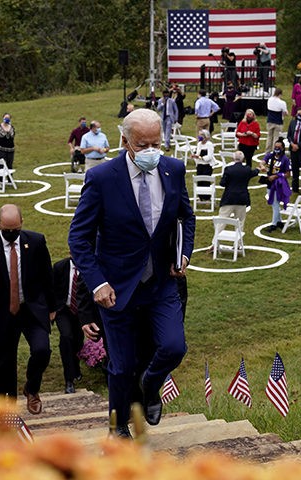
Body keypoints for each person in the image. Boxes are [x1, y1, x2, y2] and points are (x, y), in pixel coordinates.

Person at [68, 108, 195, 439]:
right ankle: (118, 425)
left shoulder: (173, 170)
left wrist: (183, 254)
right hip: (117, 287)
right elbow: (78, 238)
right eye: (143, 144)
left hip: (161, 282)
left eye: (157, 143)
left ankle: (150, 386)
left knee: (173, 347)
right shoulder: (102, 178)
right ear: (124, 141)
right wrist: (96, 283)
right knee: (120, 366)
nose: (151, 151)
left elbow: (187, 217)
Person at [0, 204, 56, 415]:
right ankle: (8, 407)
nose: (11, 234)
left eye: (15, 230)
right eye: (6, 230)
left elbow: (47, 276)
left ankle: (32, 389)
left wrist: (52, 307)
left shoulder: (35, 241)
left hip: (32, 309)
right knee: (5, 363)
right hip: (1, 313)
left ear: (22, 223)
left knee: (42, 350)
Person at [53, 256, 86, 394]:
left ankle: (75, 365)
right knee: (66, 338)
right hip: (64, 310)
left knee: (78, 341)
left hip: (83, 311)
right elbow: (51, 288)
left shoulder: (88, 267)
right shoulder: (60, 266)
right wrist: (52, 310)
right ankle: (69, 380)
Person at [219, 151, 260, 233]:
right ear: (243, 159)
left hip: (229, 198)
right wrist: (258, 169)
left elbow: (222, 183)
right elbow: (254, 173)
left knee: (221, 221)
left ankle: (215, 242)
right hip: (242, 198)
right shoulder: (247, 169)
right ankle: (237, 244)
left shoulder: (228, 169)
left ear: (233, 158)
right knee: (240, 222)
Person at [260, 139, 291, 232]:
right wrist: (262, 166)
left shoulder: (285, 159)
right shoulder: (270, 156)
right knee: (275, 203)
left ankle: (274, 224)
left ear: (283, 148)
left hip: (279, 184)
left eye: (279, 147)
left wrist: (277, 176)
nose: (277, 149)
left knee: (275, 204)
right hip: (270, 182)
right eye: (275, 147)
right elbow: (262, 161)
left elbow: (288, 174)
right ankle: (279, 221)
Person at [191, 129, 215, 201]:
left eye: (201, 135)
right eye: (199, 135)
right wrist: (195, 156)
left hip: (207, 166)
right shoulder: (199, 144)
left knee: (206, 182)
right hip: (200, 165)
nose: (199, 136)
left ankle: (207, 197)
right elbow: (198, 153)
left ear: (206, 136)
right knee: (199, 181)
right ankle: (201, 197)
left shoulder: (209, 145)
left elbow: (210, 157)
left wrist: (200, 157)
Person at [265, 88, 288, 153]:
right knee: (276, 137)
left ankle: (267, 151)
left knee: (269, 137)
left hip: (270, 120)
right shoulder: (282, 102)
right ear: (280, 94)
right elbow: (285, 112)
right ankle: (274, 150)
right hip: (278, 121)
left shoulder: (269, 100)